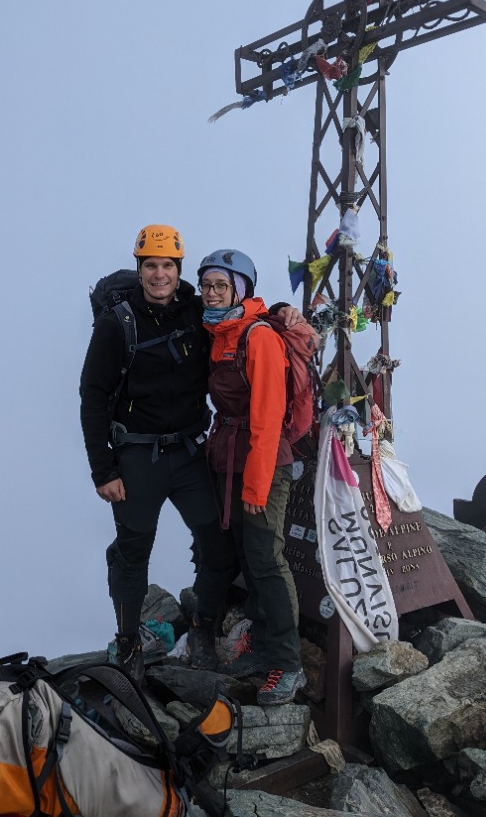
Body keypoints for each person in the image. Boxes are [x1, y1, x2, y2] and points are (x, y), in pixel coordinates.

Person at [79, 225, 301, 683]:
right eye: (150, 265)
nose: (159, 274)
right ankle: (128, 642)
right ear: (139, 268)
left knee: (219, 546)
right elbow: (92, 397)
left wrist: (281, 310)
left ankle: (203, 627)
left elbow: (244, 311)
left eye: (167, 266)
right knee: (133, 551)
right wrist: (103, 470)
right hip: (137, 456)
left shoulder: (196, 309)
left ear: (178, 270)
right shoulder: (116, 324)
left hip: (188, 453)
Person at [199, 249, 306, 706]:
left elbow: (267, 417)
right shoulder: (218, 333)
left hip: (263, 464)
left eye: (222, 285)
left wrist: (257, 487)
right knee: (249, 559)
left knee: (266, 560)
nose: (212, 293)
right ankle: (261, 652)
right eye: (206, 285)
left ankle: (289, 665)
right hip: (230, 460)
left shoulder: (257, 337)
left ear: (240, 290)